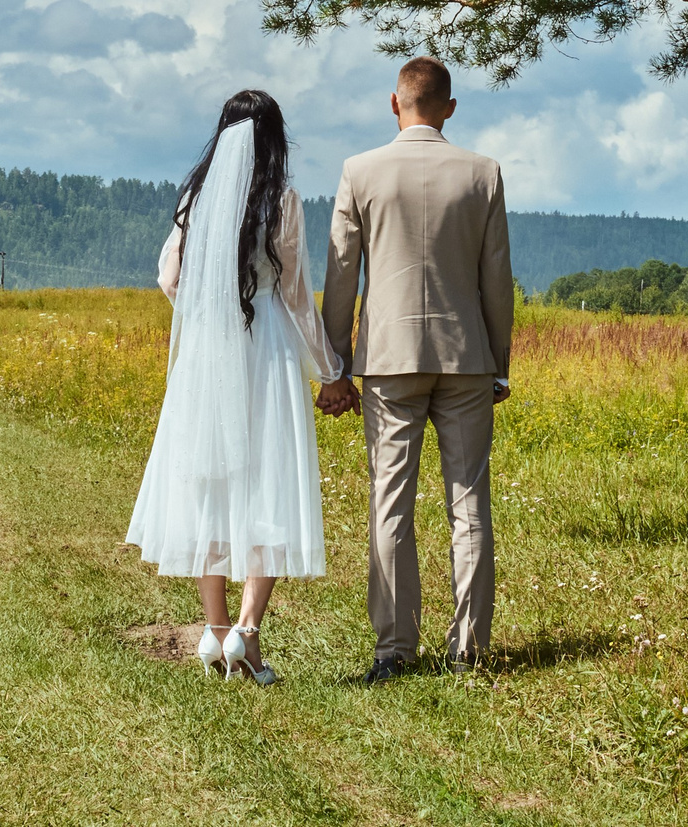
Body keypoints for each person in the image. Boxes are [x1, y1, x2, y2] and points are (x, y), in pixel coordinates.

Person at [124, 89, 345, 684]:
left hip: (210, 347)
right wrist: (331, 370)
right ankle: (248, 632)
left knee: (209, 478)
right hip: (267, 347)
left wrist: (205, 312)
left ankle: (215, 629)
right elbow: (297, 295)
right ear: (274, 141)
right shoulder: (284, 201)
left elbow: (167, 276)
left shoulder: (197, 200)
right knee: (269, 481)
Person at [317, 57, 514, 682]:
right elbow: (496, 282)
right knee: (469, 502)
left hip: (389, 359)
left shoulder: (360, 171)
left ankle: (394, 649)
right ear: (449, 107)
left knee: (390, 501)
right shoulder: (483, 173)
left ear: (393, 103)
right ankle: (469, 648)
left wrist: (335, 365)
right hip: (466, 359)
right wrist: (498, 362)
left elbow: (341, 275)